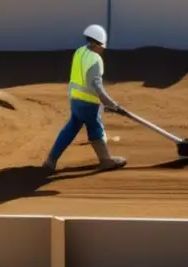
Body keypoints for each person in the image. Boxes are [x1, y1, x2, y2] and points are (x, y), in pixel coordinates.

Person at [42, 24, 127, 172]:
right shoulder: (95, 60)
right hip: (88, 103)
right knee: (96, 128)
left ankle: (50, 160)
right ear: (96, 43)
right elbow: (96, 85)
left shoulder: (79, 52)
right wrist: (111, 103)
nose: (103, 48)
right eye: (101, 45)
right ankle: (106, 160)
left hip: (75, 100)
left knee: (70, 129)